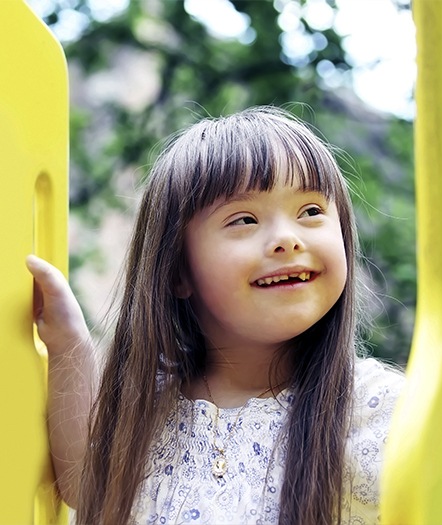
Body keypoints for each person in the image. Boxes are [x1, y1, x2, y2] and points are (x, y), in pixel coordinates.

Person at [27, 106, 405, 525]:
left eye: (311, 211)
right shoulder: (148, 409)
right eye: (244, 219)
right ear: (178, 271)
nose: (286, 238)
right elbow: (85, 485)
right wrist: (67, 344)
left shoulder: (383, 410)